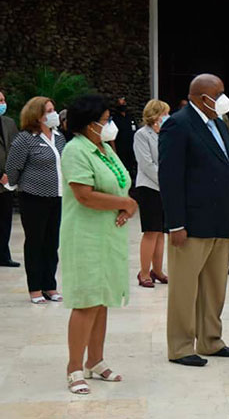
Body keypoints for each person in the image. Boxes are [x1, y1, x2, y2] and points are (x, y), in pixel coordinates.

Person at [159, 74, 229, 367]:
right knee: (184, 287)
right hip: (192, 222)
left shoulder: (218, 123)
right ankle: (181, 346)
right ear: (200, 96)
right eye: (218, 93)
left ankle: (210, 340)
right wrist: (176, 223)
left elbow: (228, 168)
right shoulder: (178, 125)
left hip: (220, 220)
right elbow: (170, 179)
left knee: (215, 286)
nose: (223, 98)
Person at [60, 94, 137, 395]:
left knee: (102, 299)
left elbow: (119, 182)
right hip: (85, 235)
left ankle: (96, 360)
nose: (109, 125)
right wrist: (125, 203)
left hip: (109, 234)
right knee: (86, 300)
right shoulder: (75, 150)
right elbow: (84, 194)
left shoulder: (104, 148)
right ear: (88, 124)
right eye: (105, 121)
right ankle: (73, 367)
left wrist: (124, 205)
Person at [5, 97, 65, 303]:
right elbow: (13, 166)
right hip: (33, 197)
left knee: (52, 243)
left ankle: (50, 285)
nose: (53, 113)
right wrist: (11, 184)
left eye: (53, 109)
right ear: (37, 115)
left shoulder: (58, 137)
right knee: (35, 242)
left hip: (57, 196)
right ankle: (35, 288)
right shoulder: (25, 139)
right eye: (49, 110)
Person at [133, 99, 170, 288]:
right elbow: (146, 164)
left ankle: (158, 270)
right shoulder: (142, 135)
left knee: (161, 232)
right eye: (164, 113)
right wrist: (164, 181)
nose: (167, 117)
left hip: (165, 187)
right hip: (149, 186)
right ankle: (144, 272)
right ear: (155, 115)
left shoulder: (165, 133)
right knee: (151, 230)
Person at [0, 90, 20, 268]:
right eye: (0, 100)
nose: (2, 104)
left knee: (5, 219)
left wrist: (11, 173)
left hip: (6, 183)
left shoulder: (9, 123)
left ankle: (3, 255)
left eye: (3, 100)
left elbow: (16, 149)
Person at [111, 96, 138, 182]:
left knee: (133, 166)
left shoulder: (130, 117)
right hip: (121, 148)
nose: (123, 105)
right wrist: (114, 150)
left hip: (132, 147)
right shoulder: (114, 119)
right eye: (120, 103)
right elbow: (112, 137)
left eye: (124, 103)